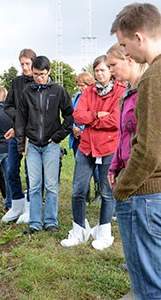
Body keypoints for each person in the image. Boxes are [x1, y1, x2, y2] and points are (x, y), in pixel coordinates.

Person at [110, 3, 161, 299]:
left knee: (148, 285)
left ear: (139, 38)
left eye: (126, 45)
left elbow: (148, 149)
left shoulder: (154, 77)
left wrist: (123, 188)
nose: (127, 53)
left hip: (148, 192)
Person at [61, 55, 125, 250]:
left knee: (107, 191)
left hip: (108, 147)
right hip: (86, 146)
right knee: (78, 189)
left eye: (103, 70)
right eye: (96, 70)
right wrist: (97, 115)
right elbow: (78, 115)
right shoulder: (88, 91)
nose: (99, 74)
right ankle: (79, 229)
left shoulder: (120, 92)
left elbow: (116, 120)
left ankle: (104, 232)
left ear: (110, 71)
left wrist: (91, 121)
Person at [106, 42, 147, 300]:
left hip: (140, 180)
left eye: (113, 65)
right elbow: (123, 136)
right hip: (123, 175)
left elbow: (145, 143)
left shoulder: (147, 92)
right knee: (131, 243)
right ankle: (137, 287)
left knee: (145, 245)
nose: (111, 71)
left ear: (129, 59)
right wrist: (114, 166)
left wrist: (127, 179)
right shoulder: (126, 95)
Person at [16, 55, 73, 234]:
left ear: (48, 72)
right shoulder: (27, 92)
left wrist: (58, 136)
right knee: (33, 186)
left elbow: (70, 115)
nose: (38, 77)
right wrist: (20, 145)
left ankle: (50, 221)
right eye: (35, 74)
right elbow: (20, 120)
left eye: (41, 74)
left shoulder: (58, 90)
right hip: (32, 144)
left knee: (51, 185)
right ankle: (34, 223)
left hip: (51, 145)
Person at [1, 48, 37, 224]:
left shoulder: (40, 82)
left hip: (32, 134)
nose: (24, 67)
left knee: (31, 172)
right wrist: (18, 122)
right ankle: (16, 204)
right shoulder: (16, 82)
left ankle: (31, 207)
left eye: (27, 64)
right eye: (22, 64)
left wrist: (24, 123)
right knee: (11, 169)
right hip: (16, 133)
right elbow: (8, 106)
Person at [69, 72, 100, 204]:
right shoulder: (76, 97)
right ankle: (84, 193)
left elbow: (92, 116)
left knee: (96, 167)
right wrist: (73, 128)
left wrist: (81, 130)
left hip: (89, 136)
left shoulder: (94, 97)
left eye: (82, 86)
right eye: (79, 86)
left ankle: (99, 192)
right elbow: (73, 115)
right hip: (76, 137)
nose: (80, 89)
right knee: (80, 165)